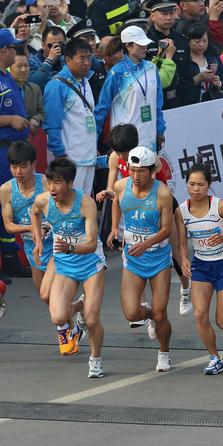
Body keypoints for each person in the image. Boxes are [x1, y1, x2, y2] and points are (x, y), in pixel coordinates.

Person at [31, 157, 107, 378]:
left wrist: (70, 247)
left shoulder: (86, 204)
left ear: (70, 183)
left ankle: (95, 359)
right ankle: (81, 304)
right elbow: (34, 213)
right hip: (65, 264)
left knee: (92, 320)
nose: (52, 188)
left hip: (90, 263)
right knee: (58, 317)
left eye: (57, 182)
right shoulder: (44, 200)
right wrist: (38, 240)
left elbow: (92, 244)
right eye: (49, 182)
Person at [176, 163, 223, 375]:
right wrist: (183, 259)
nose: (196, 189)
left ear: (209, 186)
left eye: (200, 184)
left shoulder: (220, 206)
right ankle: (215, 358)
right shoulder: (181, 211)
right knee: (200, 315)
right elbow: (182, 243)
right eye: (192, 184)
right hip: (201, 266)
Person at [107, 146, 174, 372]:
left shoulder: (162, 193)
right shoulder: (121, 185)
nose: (135, 176)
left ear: (151, 171)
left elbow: (167, 229)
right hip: (133, 260)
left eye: (140, 172)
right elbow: (116, 201)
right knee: (132, 313)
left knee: (161, 311)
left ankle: (164, 352)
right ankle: (151, 317)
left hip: (158, 258)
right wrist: (114, 228)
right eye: (132, 171)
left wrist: (145, 244)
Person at [0, 142, 54, 323]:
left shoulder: (47, 183)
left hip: (56, 246)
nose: (18, 172)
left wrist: (43, 228)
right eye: (14, 167)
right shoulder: (7, 190)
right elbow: (8, 226)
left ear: (34, 164)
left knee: (53, 293)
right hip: (33, 251)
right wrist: (32, 228)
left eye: (23, 166)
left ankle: (65, 333)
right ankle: (75, 316)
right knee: (45, 297)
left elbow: (63, 212)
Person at [95, 26, 166, 152]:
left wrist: (160, 130)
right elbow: (102, 107)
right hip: (124, 141)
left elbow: (158, 103)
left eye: (146, 44)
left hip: (149, 137)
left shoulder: (151, 68)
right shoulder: (116, 73)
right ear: (128, 46)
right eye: (140, 44)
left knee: (148, 171)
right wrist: (93, 138)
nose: (145, 47)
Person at [43, 38, 98, 197]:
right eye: (82, 58)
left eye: (89, 57)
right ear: (67, 59)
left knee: (85, 205)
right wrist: (61, 156)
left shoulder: (86, 81)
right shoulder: (57, 85)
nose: (87, 62)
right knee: (68, 208)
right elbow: (51, 124)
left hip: (88, 157)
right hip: (70, 160)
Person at [0, 28, 32, 282]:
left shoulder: (6, 76)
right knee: (4, 204)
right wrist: (10, 119)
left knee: (9, 204)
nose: (16, 51)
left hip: (12, 150)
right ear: (3, 51)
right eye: (13, 48)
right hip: (2, 151)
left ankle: (10, 257)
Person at [145, 0, 188, 110]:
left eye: (171, 13)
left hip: (180, 99)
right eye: (164, 14)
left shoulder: (181, 39)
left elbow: (186, 73)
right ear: (153, 16)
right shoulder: (146, 42)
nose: (168, 18)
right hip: (156, 100)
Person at [181, 22, 223, 105]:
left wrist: (218, 83)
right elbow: (180, 87)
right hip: (191, 104)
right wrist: (197, 78)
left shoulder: (213, 59)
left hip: (213, 102)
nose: (201, 44)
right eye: (197, 41)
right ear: (188, 40)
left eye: (205, 41)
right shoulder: (183, 60)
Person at [11, 48, 43, 138]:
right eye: (19, 66)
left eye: (26, 65)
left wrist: (36, 119)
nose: (24, 70)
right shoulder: (4, 88)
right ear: (9, 68)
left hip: (28, 141)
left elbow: (42, 112)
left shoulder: (34, 89)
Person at [28, 25, 65, 91]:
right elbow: (34, 83)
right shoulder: (32, 62)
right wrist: (49, 61)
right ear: (43, 45)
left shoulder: (68, 60)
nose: (57, 48)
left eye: (60, 44)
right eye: (51, 45)